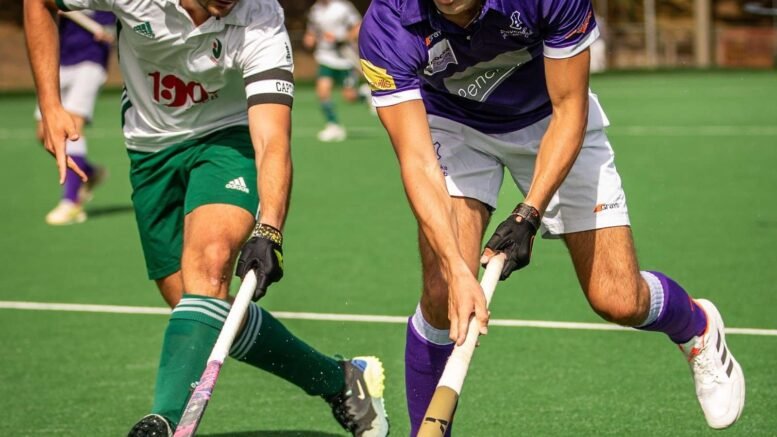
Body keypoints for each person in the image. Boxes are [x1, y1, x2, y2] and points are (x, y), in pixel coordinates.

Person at [358, 0, 745, 434]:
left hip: (551, 118)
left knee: (617, 298)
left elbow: (569, 108)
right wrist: (455, 266)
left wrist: (528, 214)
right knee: (442, 292)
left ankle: (697, 325)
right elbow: (417, 162)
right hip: (453, 124)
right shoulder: (389, 21)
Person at [25, 0, 389, 436]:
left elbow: (272, 139)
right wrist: (50, 103)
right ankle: (340, 380)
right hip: (149, 151)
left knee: (211, 264)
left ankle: (163, 421)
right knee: (198, 311)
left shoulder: (260, 16)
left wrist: (269, 228)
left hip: (226, 138)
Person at [34, 9, 113, 225]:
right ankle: (89, 172)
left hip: (91, 57)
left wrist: (112, 30)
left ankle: (71, 203)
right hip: (60, 56)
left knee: (72, 129)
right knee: (45, 132)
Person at [303, 0, 364, 142]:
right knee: (322, 91)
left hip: (345, 58)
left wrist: (341, 38)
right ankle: (333, 125)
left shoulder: (343, 7)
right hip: (325, 57)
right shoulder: (315, 10)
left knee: (350, 97)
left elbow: (357, 27)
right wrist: (309, 39)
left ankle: (364, 95)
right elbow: (312, 31)